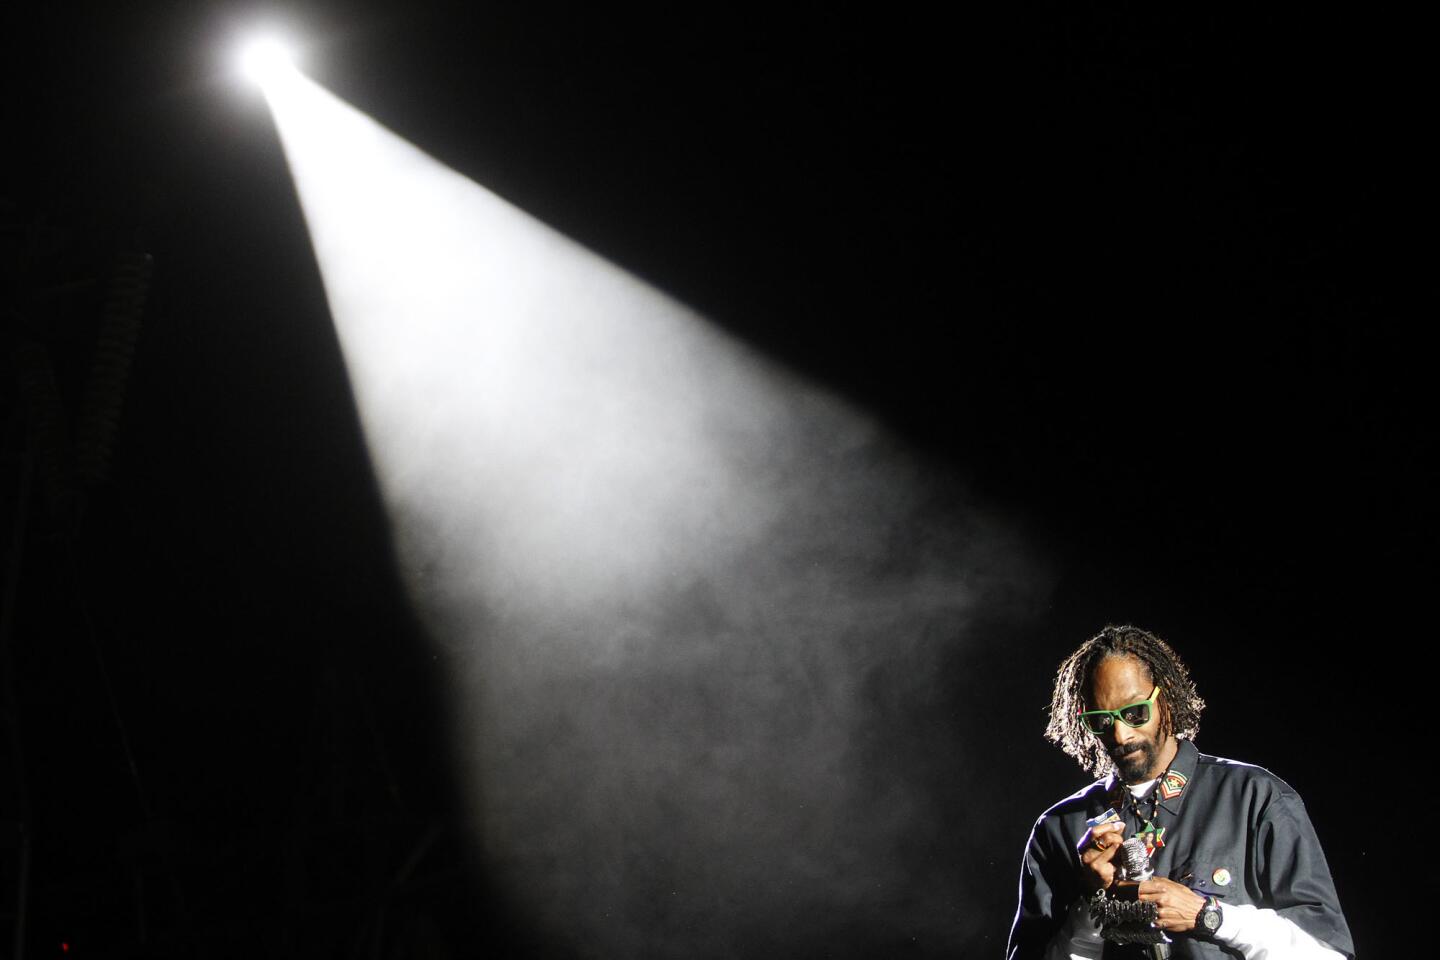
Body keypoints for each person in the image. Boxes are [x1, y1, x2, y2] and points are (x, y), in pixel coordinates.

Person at [1005, 625, 1353, 959]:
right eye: (1102, 721)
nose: (1121, 735)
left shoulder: (1255, 797)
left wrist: (1209, 916)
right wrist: (1090, 905)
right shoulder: (1059, 828)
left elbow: (1327, 953)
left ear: (1167, 696)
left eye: (1135, 713)